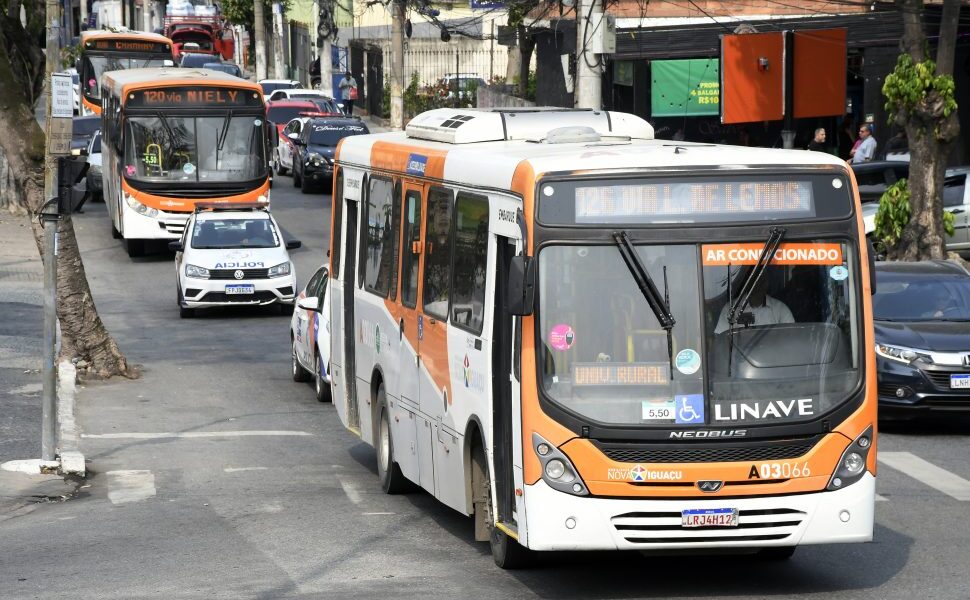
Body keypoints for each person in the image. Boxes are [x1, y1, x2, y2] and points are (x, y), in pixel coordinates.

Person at [714, 276, 795, 334]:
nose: (757, 286)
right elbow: (721, 338)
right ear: (747, 284)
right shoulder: (731, 309)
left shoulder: (781, 309)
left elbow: (790, 338)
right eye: (753, 282)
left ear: (766, 284)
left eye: (761, 282)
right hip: (738, 357)